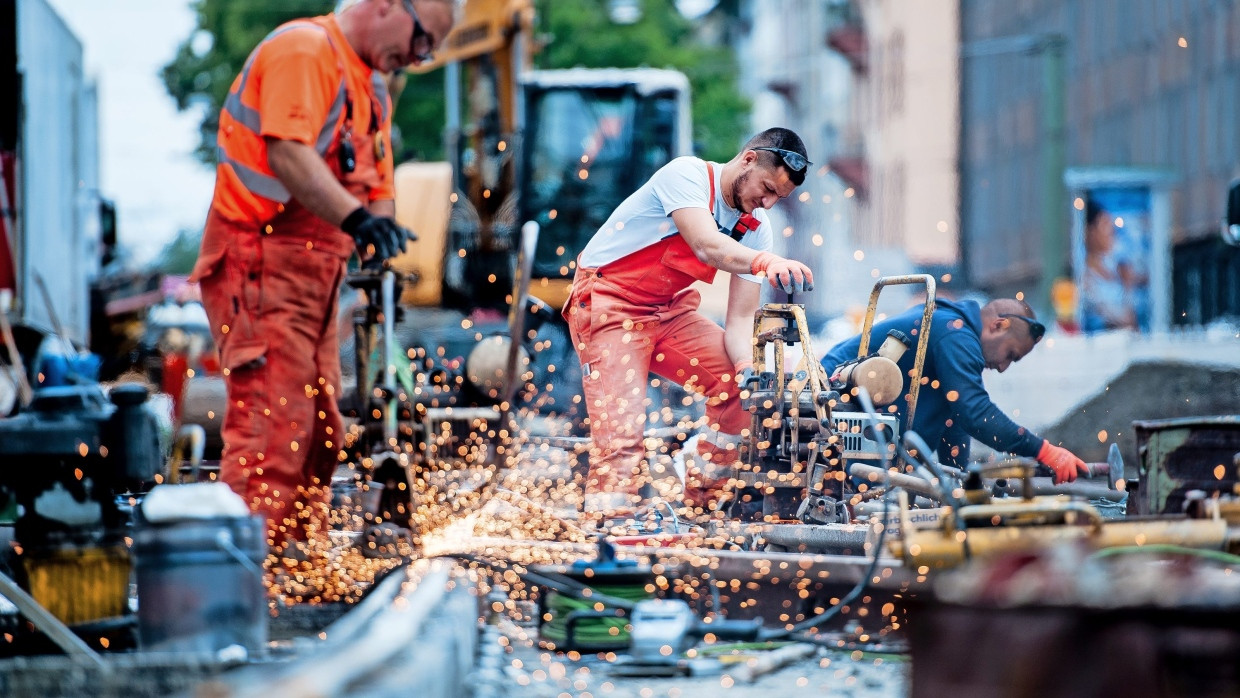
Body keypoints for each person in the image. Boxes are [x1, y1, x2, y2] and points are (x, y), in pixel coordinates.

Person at [188, 0, 457, 550]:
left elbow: (376, 182)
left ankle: (296, 557)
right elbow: (288, 153)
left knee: (319, 430)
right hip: (261, 261)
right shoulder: (306, 49)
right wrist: (357, 221)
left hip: (313, 274)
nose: (416, 56)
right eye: (422, 39)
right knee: (274, 425)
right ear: (387, 6)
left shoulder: (372, 87)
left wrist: (380, 238)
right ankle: (251, 576)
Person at [564, 127, 817, 523]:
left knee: (737, 390)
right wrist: (766, 263)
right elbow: (705, 244)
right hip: (609, 304)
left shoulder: (756, 228)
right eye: (766, 189)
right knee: (623, 434)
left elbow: (738, 322)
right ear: (748, 159)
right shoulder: (687, 176)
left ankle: (703, 508)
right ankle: (607, 535)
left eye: (777, 198)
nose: (765, 203)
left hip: (668, 312)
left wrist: (748, 370)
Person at [820, 297, 1090, 483]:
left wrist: (959, 481)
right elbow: (974, 412)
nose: (1003, 367)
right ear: (998, 325)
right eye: (1011, 354)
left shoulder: (952, 329)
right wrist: (1043, 450)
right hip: (826, 402)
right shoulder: (955, 334)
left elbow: (957, 416)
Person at [1081, 199, 1137, 332]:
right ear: (1090, 232)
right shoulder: (1085, 278)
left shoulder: (1118, 269)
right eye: (1105, 224)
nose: (1112, 231)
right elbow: (1122, 319)